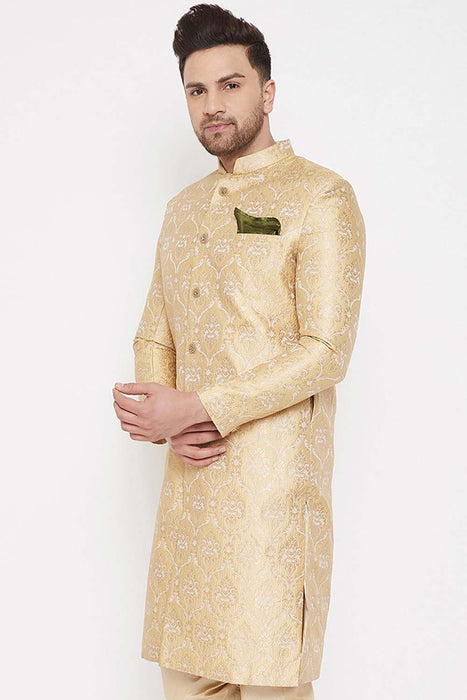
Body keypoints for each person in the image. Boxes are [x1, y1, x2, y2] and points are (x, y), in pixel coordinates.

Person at [112, 4, 366, 698]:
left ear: (267, 91)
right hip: (189, 500)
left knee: (269, 680)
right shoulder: (183, 209)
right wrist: (157, 412)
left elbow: (325, 350)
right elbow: (154, 332)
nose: (212, 105)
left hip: (269, 505)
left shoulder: (320, 196)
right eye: (196, 90)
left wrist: (196, 407)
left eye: (230, 85)